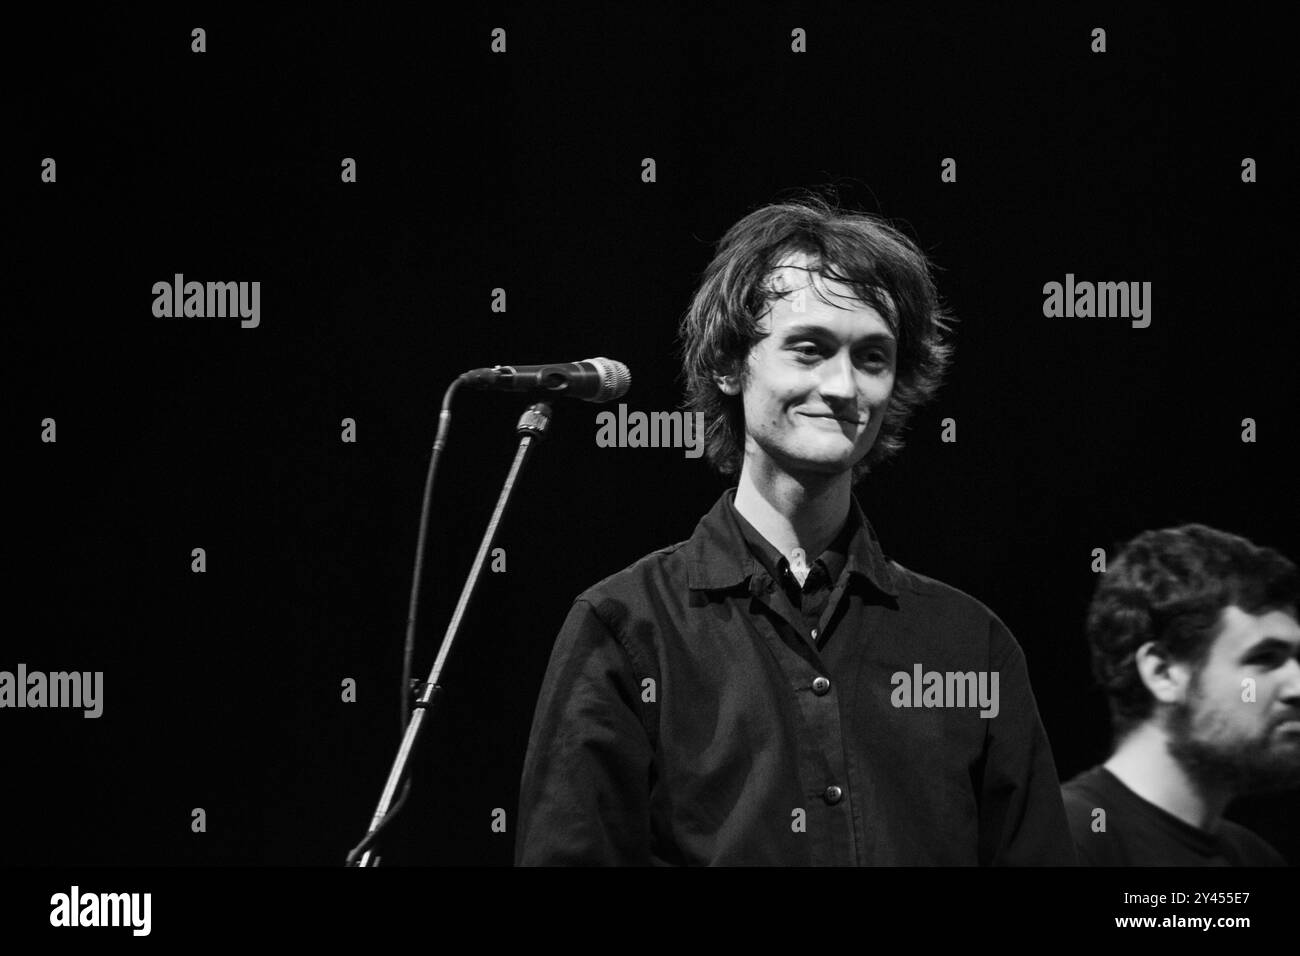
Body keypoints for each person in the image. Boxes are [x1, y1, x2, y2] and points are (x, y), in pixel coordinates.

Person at [515, 194, 1076, 865]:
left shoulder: (971, 642)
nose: (844, 386)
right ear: (729, 363)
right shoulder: (625, 626)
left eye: (872, 358)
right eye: (809, 349)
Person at [1062, 524, 1300, 865]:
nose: (1296, 687)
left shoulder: (1256, 858)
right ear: (1163, 673)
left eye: (1295, 659)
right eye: (1264, 659)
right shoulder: (1063, 843)